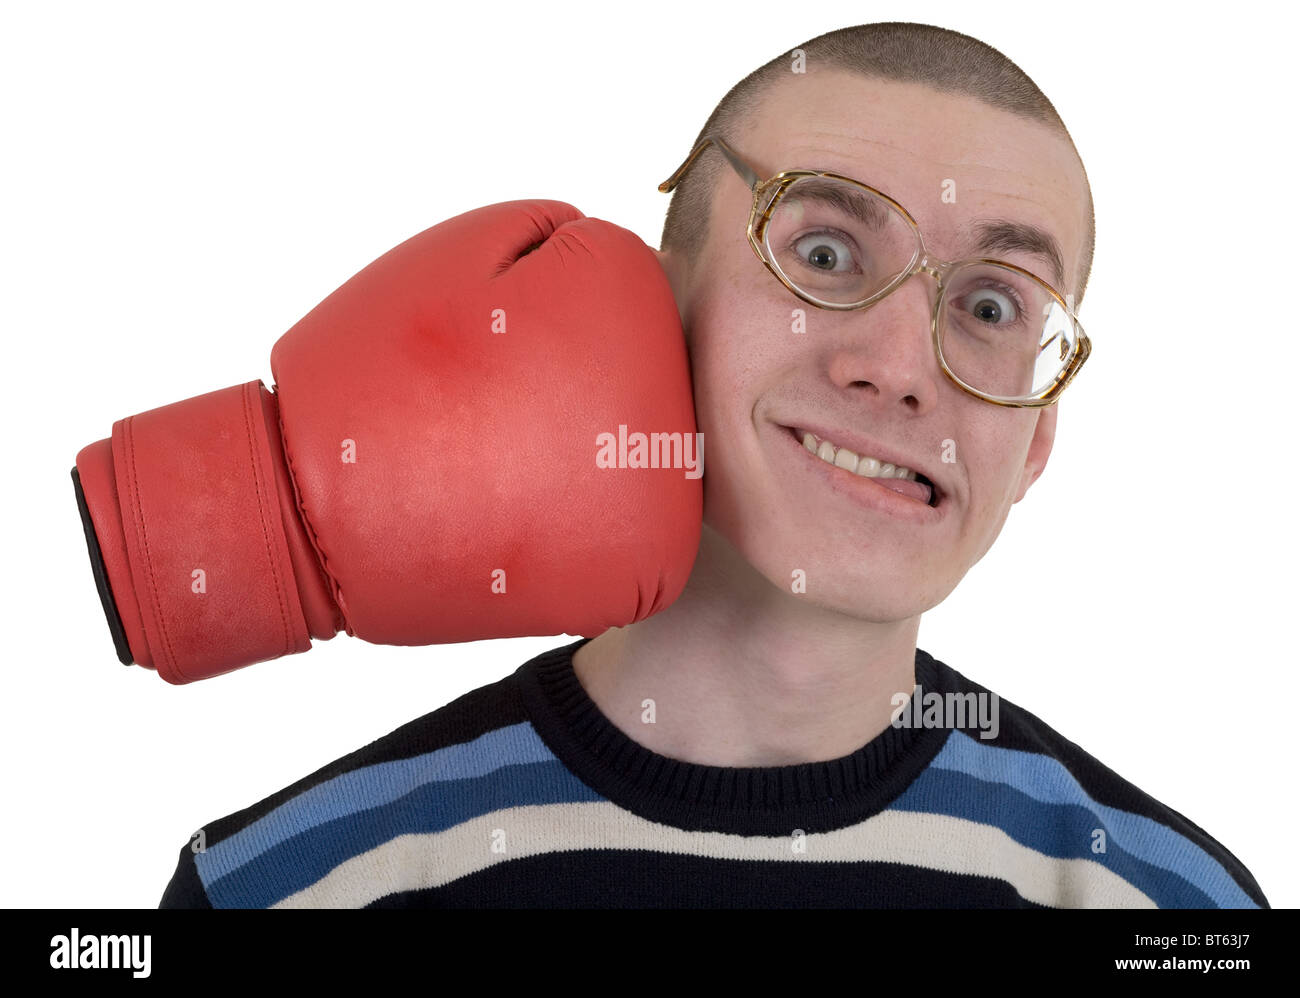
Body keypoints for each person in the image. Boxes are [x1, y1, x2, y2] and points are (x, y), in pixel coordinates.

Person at [160, 21, 1268, 909]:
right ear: (647, 309)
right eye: (824, 251)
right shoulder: (285, 886)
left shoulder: (1174, 911)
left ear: (1032, 440)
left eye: (989, 306)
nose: (897, 369)